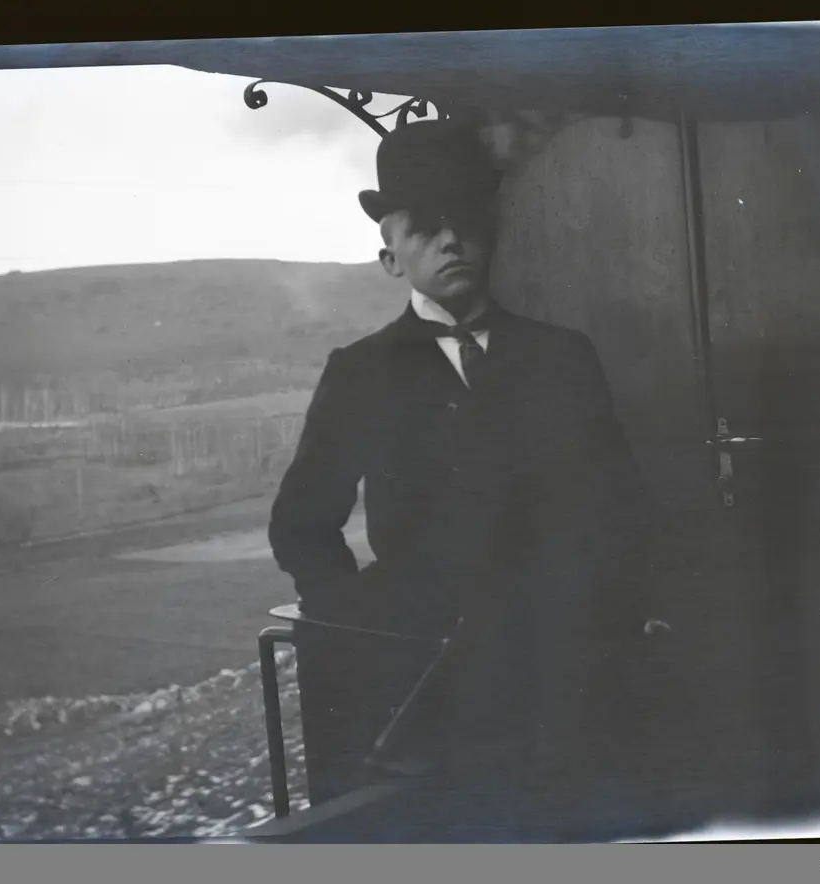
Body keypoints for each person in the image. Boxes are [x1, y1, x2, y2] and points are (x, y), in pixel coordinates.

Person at [268, 119, 672, 841]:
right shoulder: (360, 373)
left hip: (571, 658)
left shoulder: (561, 356)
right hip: (437, 671)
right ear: (390, 257)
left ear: (491, 235)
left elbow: (620, 502)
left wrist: (638, 606)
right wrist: (366, 629)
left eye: (464, 221)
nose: (451, 241)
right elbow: (302, 525)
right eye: (425, 227)